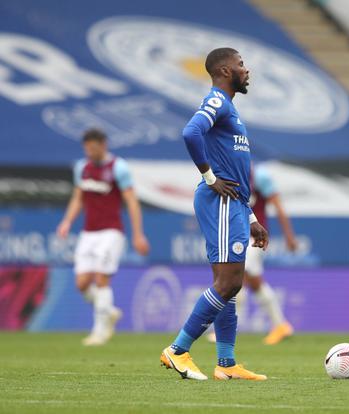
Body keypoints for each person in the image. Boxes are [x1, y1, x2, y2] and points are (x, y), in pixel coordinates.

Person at [160, 48, 269, 380]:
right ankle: (177, 351)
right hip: (219, 200)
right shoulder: (218, 101)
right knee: (228, 282)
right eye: (240, 65)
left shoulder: (230, 107)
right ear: (224, 70)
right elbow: (190, 132)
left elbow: (233, 171)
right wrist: (210, 177)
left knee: (230, 284)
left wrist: (250, 218)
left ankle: (226, 364)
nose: (246, 70)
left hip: (233, 203)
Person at [57, 128, 150, 346]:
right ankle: (108, 310)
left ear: (103, 145)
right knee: (81, 283)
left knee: (101, 279)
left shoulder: (118, 167)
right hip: (88, 232)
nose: (90, 151)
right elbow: (78, 198)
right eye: (87, 148)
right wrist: (67, 221)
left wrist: (138, 235)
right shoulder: (82, 168)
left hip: (111, 232)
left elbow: (132, 202)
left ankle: (100, 331)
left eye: (94, 147)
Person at [208, 164, 298, 345]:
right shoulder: (226, 172)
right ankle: (280, 325)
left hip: (252, 238)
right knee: (253, 283)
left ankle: (226, 330)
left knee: (237, 279)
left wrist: (289, 236)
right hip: (235, 236)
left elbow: (278, 206)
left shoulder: (260, 176)